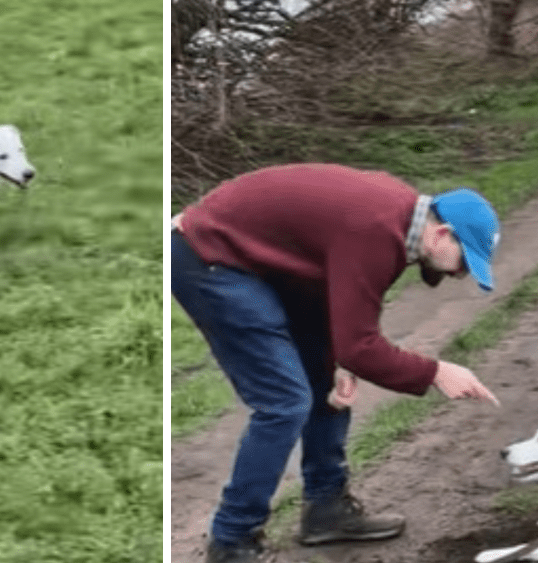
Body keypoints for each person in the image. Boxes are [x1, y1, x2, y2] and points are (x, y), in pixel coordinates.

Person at [171, 163, 503, 563]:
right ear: (442, 235)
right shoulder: (380, 230)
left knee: (324, 384)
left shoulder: (396, 221)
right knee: (284, 402)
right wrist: (436, 372)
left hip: (260, 265)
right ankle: (231, 540)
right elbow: (361, 346)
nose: (461, 275)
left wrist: (339, 358)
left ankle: (326, 510)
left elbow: (328, 288)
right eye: (465, 262)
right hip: (210, 257)